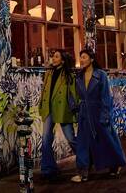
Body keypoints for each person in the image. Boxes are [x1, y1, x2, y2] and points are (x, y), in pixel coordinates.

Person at [71, 48, 126, 182]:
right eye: (81, 57)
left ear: (91, 59)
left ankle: (116, 164)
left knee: (107, 141)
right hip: (85, 114)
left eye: (84, 57)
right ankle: (83, 172)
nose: (82, 60)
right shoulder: (78, 76)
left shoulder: (100, 75)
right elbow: (75, 95)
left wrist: (105, 115)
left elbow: (105, 96)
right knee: (83, 144)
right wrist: (75, 107)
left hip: (98, 112)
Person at [38, 49, 79, 180]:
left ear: (62, 60)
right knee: (46, 139)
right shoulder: (49, 73)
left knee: (71, 138)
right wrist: (41, 105)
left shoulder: (69, 74)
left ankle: (86, 159)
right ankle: (48, 169)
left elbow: (74, 95)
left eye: (56, 57)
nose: (53, 59)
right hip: (48, 108)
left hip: (63, 109)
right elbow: (44, 90)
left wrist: (76, 110)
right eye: (53, 56)